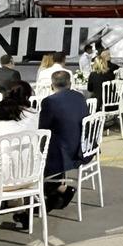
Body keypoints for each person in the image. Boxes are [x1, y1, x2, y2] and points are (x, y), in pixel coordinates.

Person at [38, 70, 86, 211]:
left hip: (63, 150)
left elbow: (42, 128)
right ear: (70, 84)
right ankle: (59, 190)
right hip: (81, 146)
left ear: (52, 86)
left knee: (36, 152)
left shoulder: (49, 102)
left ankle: (50, 192)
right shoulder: (80, 97)